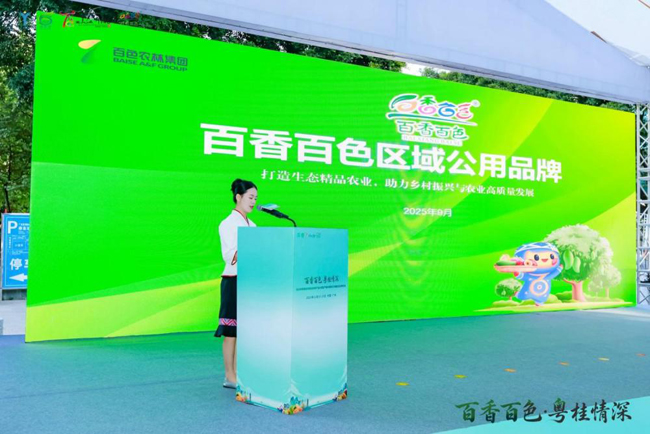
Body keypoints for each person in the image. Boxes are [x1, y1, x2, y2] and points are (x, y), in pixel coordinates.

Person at [215, 178, 257, 389]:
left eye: (256, 198)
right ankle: (229, 376)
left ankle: (241, 372)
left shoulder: (254, 225)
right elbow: (229, 255)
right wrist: (251, 248)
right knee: (231, 332)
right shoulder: (227, 223)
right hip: (233, 281)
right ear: (238, 197)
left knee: (245, 331)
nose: (253, 202)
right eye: (250, 197)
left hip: (250, 281)